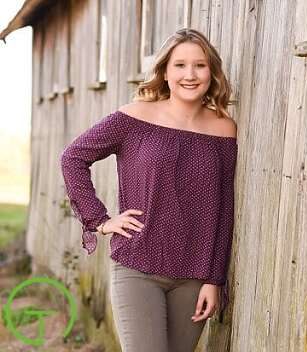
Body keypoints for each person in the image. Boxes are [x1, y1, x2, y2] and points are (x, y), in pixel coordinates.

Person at [60, 28, 237, 352]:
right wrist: (100, 220)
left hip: (194, 277)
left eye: (199, 65)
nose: (190, 75)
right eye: (180, 65)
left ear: (211, 72)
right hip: (137, 268)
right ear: (165, 72)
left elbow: (224, 209)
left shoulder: (224, 128)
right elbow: (73, 157)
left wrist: (214, 279)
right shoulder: (134, 117)